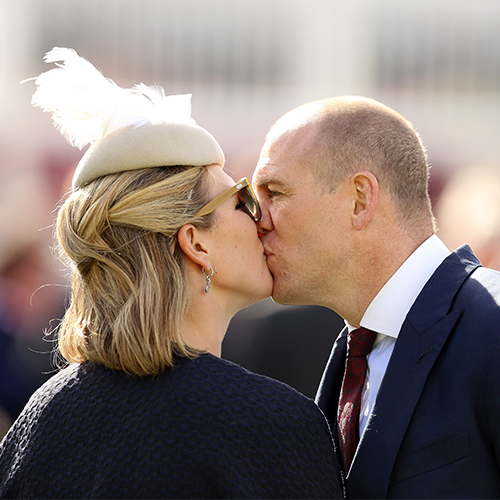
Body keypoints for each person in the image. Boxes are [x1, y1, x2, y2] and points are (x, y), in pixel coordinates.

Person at [0, 48, 343, 499]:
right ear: (195, 243)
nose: (262, 219)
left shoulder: (41, 420)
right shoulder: (270, 422)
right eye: (241, 200)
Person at [252, 96, 500, 498]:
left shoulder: (491, 324)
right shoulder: (355, 353)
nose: (257, 219)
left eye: (275, 193)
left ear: (360, 199)